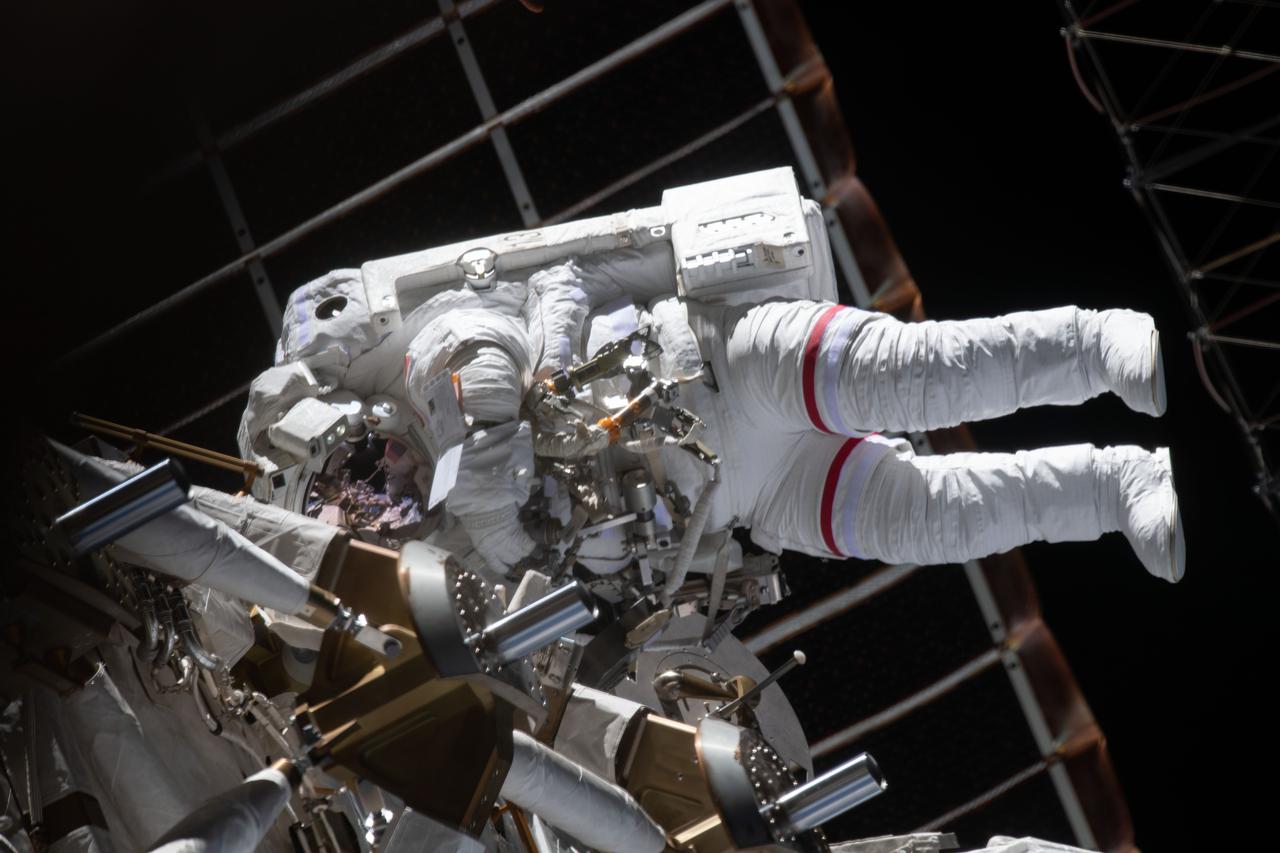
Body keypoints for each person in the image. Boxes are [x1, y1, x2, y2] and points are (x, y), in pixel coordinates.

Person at [240, 246, 1184, 586]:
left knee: (921, 376)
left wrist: (500, 424)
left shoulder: (428, 352)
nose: (377, 495)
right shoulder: (449, 547)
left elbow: (512, 326)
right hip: (742, 495)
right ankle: (1118, 486)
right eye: (360, 512)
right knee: (936, 520)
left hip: (726, 367)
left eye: (358, 479)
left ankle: (1099, 343)